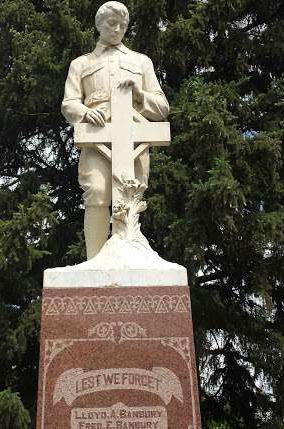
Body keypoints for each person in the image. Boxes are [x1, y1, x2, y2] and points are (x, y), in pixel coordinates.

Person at [61, 1, 169, 260]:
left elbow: (162, 107)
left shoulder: (140, 62)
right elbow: (69, 104)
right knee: (97, 192)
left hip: (133, 142)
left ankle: (130, 254)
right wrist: (85, 112)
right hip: (97, 139)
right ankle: (95, 262)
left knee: (131, 194)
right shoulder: (81, 64)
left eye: (122, 25)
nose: (117, 29)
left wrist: (140, 95)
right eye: (112, 23)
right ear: (99, 25)